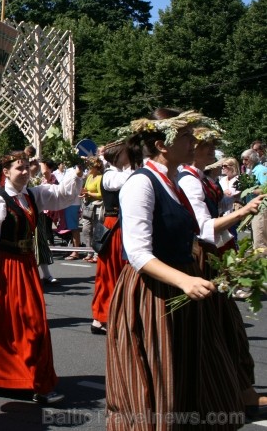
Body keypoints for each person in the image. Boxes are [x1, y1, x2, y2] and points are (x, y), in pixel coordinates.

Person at [106, 109, 244, 430]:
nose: (192, 142)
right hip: (153, 291)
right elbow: (138, 253)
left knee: (192, 372)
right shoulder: (141, 184)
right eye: (185, 137)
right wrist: (185, 280)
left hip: (179, 286)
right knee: (160, 373)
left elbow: (195, 233)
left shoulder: (174, 183)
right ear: (161, 145)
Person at [0, 151, 82, 404]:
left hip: (26, 265)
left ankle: (31, 378)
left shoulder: (33, 194)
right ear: (5, 172)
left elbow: (63, 197)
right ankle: (12, 376)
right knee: (8, 324)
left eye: (27, 167)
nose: (25, 171)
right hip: (5, 269)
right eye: (19, 168)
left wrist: (76, 173)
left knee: (33, 322)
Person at [178, 128, 267, 417]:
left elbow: (218, 209)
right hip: (204, 257)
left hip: (218, 251)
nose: (214, 151)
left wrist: (243, 200)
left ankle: (240, 391)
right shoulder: (189, 181)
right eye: (209, 146)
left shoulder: (202, 178)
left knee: (227, 327)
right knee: (219, 328)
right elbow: (203, 227)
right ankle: (228, 393)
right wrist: (241, 213)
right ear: (197, 149)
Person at [90, 141, 134, 335]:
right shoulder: (110, 175)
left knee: (118, 271)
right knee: (110, 272)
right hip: (114, 224)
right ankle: (102, 317)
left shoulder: (122, 172)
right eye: (126, 153)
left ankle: (106, 316)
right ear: (117, 155)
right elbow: (128, 179)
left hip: (121, 224)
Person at [79, 158, 104, 263]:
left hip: (97, 206)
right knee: (86, 229)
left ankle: (97, 253)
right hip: (88, 205)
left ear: (96, 167)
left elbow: (101, 194)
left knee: (96, 230)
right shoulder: (89, 177)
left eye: (90, 166)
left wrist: (89, 193)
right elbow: (86, 188)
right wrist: (84, 193)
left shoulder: (100, 178)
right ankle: (89, 251)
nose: (88, 168)